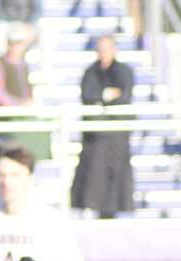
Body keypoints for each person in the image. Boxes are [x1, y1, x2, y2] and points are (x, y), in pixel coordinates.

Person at [71, 36, 136, 220]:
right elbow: (88, 95)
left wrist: (102, 98)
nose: (104, 52)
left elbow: (124, 95)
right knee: (94, 177)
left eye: (107, 48)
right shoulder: (91, 73)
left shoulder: (123, 71)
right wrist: (107, 94)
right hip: (96, 137)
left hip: (117, 137)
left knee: (115, 178)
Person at [0, 28, 51, 165]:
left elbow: (24, 90)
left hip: (22, 122)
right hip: (6, 123)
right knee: (4, 162)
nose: (16, 47)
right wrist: (21, 105)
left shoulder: (24, 65)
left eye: (19, 43)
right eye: (13, 43)